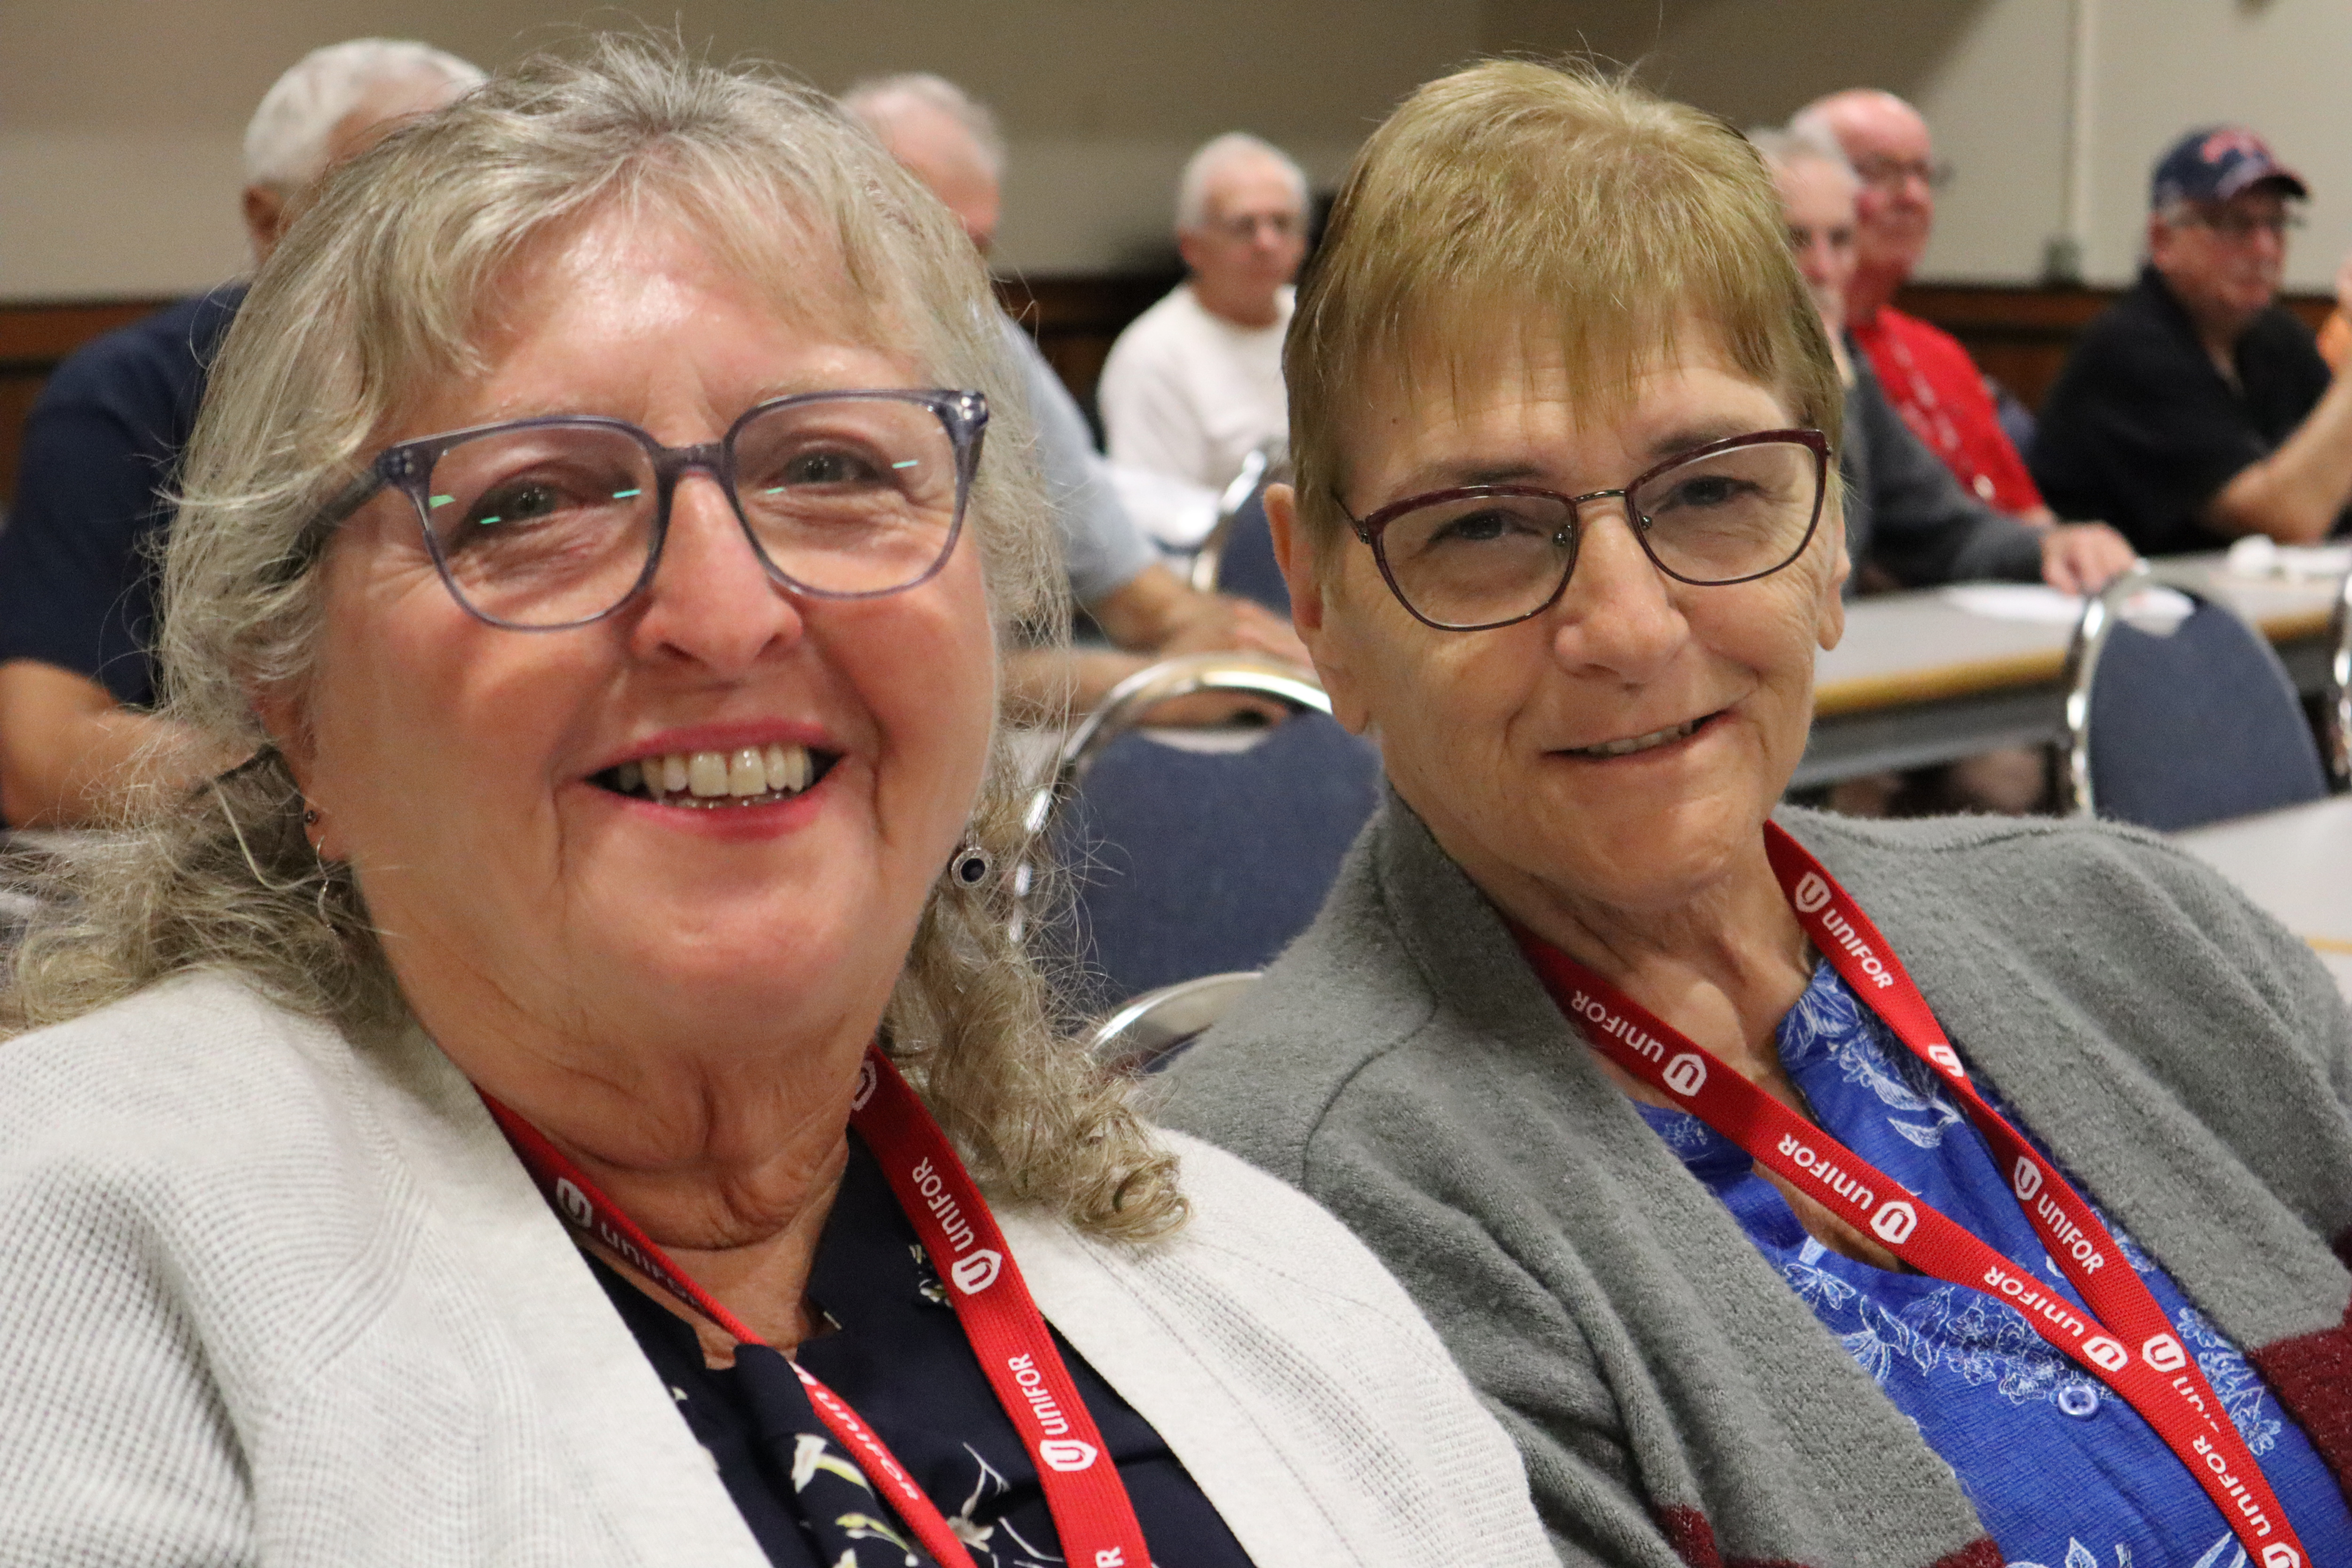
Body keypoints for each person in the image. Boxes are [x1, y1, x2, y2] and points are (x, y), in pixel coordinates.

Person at [0, 43, 1554, 1568]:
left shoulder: (1264, 1273)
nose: (726, 611)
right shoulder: (81, 1261)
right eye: (532, 501)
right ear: (302, 715)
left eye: (830, 466)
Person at [1160, 60, 2352, 1567]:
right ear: (1319, 599)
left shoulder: (2141, 925)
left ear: (1831, 531)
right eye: (1481, 527)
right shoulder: (1300, 1232)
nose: (1630, 628)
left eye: (1712, 491)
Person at [0, 38, 484, 828]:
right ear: (269, 221)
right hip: (230, 874)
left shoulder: (533, 393)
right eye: (389, 207)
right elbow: (40, 752)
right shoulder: (126, 397)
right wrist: (342, 784)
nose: (435, 251)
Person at [841, 73, 1305, 715]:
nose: (959, 277)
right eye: (929, 239)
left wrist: (1236, 644)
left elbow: (1132, 589)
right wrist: (1142, 686)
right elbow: (887, 675)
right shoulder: (785, 368)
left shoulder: (982, 337)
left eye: (976, 246)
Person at [1757, 124, 2132, 597]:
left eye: (1839, 240)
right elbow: (1809, 566)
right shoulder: (1715, 379)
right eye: (1794, 240)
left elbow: (1942, 531)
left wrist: (2053, 547)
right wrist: (1822, 393)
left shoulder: (1847, 364)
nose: (1824, 269)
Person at [2033, 126, 2352, 556]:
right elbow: (2283, 519)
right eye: (2234, 224)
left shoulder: (2277, 339)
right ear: (2162, 241)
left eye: (2276, 223)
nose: (2265, 249)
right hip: (2127, 609)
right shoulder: (2128, 351)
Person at [1794, 88, 2055, 520]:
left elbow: (2026, 514)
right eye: (1880, 172)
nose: (1913, 196)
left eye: (1922, 172)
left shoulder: (1939, 351)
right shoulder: (1787, 359)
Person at [1097, 133, 1307, 494]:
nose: (1267, 243)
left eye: (1282, 223)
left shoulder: (1322, 323)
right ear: (1191, 246)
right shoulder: (1153, 355)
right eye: (1244, 226)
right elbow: (1156, 514)